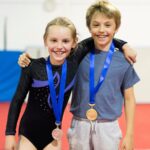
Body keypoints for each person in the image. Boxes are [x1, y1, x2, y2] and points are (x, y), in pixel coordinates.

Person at [5, 16, 128, 150]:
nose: (59, 46)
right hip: (28, 135)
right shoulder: (32, 66)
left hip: (52, 137)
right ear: (45, 41)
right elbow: (17, 100)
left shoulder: (74, 61)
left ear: (74, 43)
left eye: (65, 41)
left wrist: (124, 45)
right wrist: (10, 134)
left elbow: (100, 36)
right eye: (53, 40)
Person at [67, 1, 140, 150]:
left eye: (107, 25)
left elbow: (129, 98)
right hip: (79, 124)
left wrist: (130, 134)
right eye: (96, 25)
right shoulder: (78, 55)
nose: (101, 30)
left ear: (116, 28)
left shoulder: (123, 60)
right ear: (89, 27)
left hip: (108, 127)